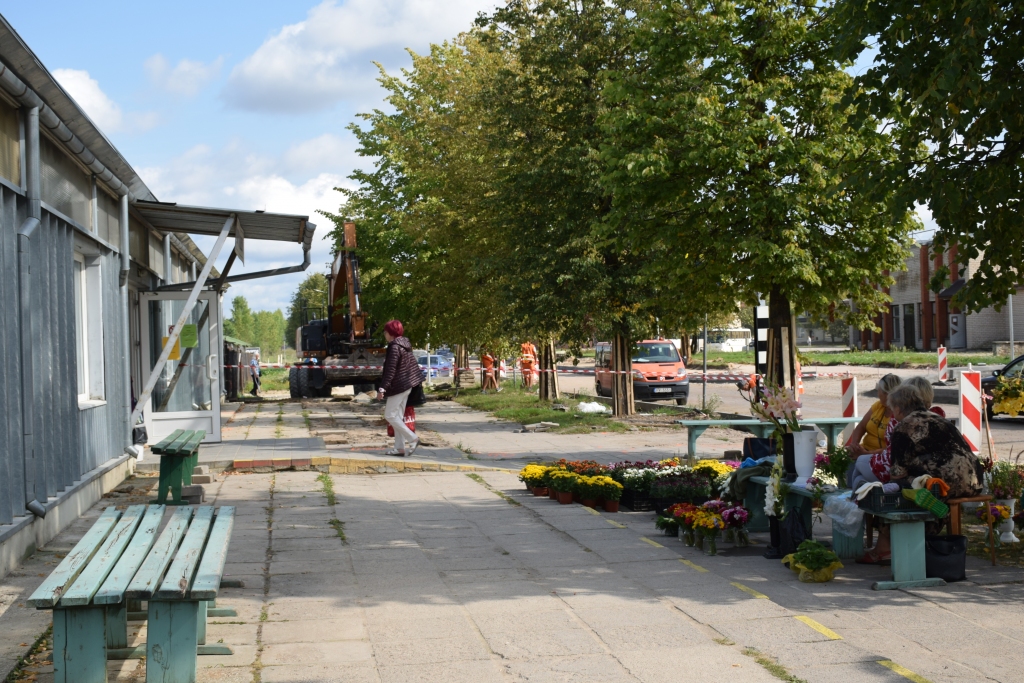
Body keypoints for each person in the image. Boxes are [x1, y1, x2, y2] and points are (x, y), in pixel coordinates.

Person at [856, 383, 984, 563]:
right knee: (917, 486)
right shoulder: (938, 418)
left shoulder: (904, 426)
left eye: (892, 409)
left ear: (898, 409)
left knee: (895, 490)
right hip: (974, 480)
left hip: (944, 484)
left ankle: (885, 547)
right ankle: (909, 544)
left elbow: (897, 472)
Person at [377, 320, 422, 456]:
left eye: (385, 332)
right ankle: (399, 448)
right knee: (398, 417)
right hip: (407, 385)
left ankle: (413, 438)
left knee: (389, 415)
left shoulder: (394, 347)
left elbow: (390, 370)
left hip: (398, 386)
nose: (384, 334)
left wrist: (382, 389)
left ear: (390, 333)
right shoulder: (405, 345)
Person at [846, 373, 902, 457]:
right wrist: (854, 445)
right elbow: (861, 426)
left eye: (879, 390)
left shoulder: (900, 414)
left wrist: (865, 454)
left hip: (881, 457)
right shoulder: (878, 405)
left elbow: (893, 448)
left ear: (887, 393)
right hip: (864, 450)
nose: (877, 394)